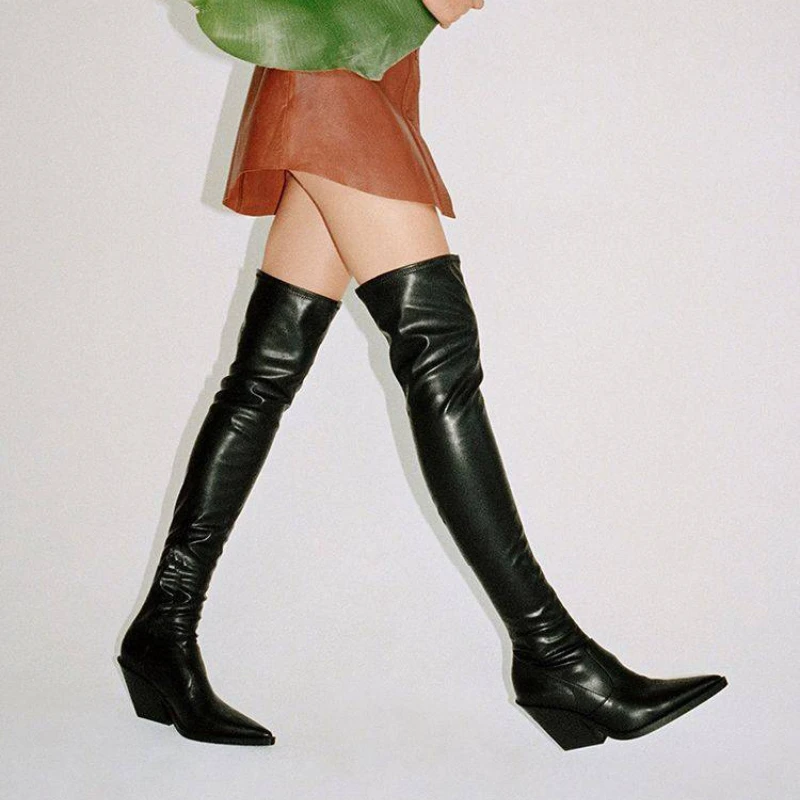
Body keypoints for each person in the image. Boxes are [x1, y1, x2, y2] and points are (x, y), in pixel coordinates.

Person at [117, 0, 727, 749]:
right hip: (330, 73)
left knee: (262, 377)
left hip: (367, 64)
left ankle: (162, 630)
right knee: (439, 359)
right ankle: (554, 655)